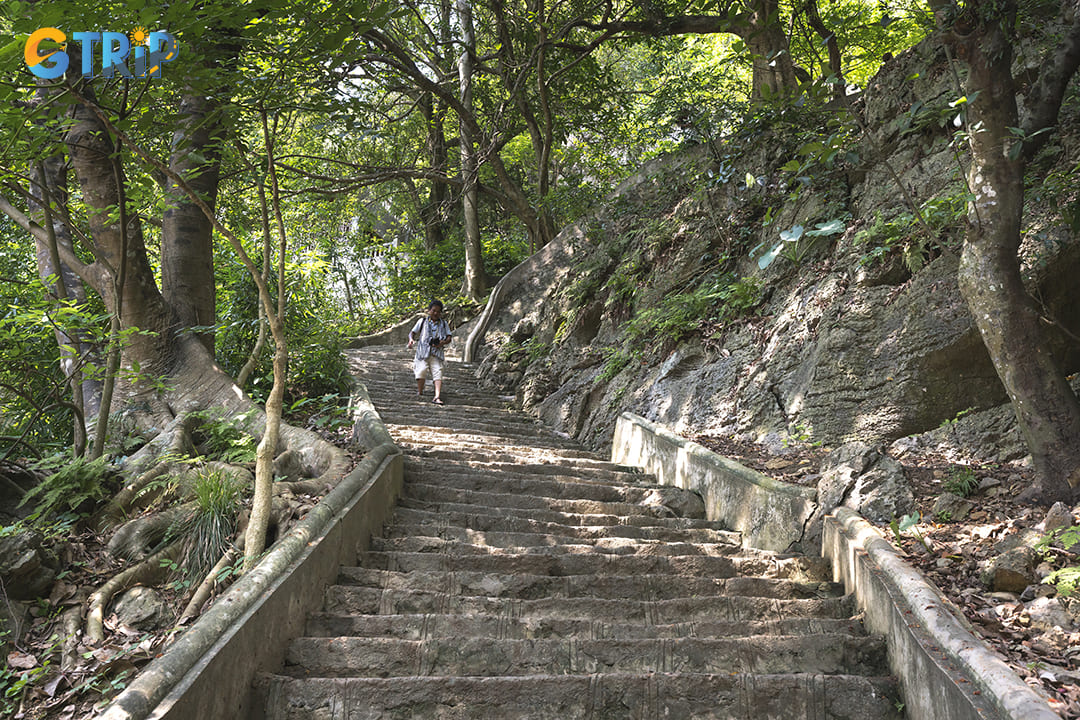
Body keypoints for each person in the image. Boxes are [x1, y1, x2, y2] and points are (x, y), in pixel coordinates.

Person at [407, 299, 452, 405]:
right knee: (421, 371)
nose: (436, 313)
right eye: (434, 310)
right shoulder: (422, 321)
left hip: (437, 353)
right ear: (429, 311)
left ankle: (437, 397)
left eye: (438, 311)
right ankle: (420, 391)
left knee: (438, 373)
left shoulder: (444, 324)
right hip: (423, 353)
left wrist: (443, 342)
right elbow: (412, 332)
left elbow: (449, 337)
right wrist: (411, 340)